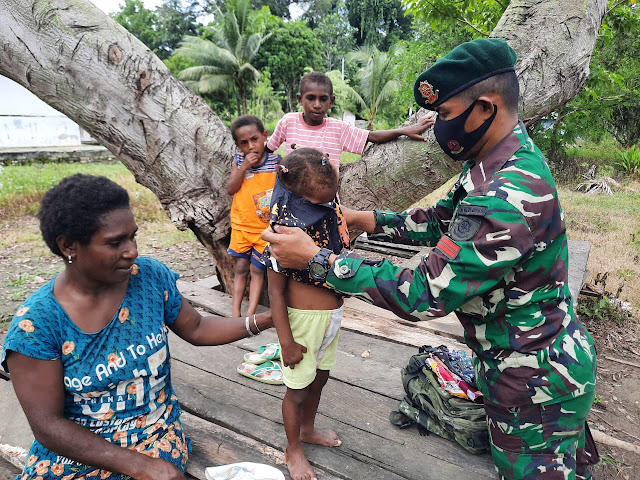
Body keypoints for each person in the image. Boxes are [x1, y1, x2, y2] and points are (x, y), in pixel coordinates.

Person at [262, 39, 598, 480]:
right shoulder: (497, 162)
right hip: (524, 359)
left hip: (534, 379)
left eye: (444, 114)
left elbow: (423, 293)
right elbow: (443, 221)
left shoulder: (507, 195)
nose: (440, 127)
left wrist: (319, 260)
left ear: (484, 108)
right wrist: (369, 219)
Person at [1, 174, 273, 480]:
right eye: (115, 242)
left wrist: (263, 319)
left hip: (155, 439)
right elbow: (48, 426)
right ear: (68, 246)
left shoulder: (148, 278)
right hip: (77, 458)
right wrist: (139, 467)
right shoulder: (36, 327)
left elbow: (196, 328)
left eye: (133, 236)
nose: (132, 251)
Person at [263, 148, 349, 480]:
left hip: (332, 319)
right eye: (318, 203)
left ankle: (308, 430)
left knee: (321, 378)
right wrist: (285, 341)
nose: (325, 207)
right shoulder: (282, 233)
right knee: (296, 391)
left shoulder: (328, 214)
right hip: (303, 324)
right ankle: (292, 449)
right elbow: (275, 292)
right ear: (298, 200)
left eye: (331, 199)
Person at [266, 71, 434, 173]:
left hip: (324, 205)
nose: (317, 105)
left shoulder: (337, 128)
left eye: (323, 99)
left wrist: (403, 131)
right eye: (311, 98)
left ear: (331, 101)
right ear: (300, 99)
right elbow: (267, 150)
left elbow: (372, 136)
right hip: (292, 200)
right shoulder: (288, 122)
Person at [227, 115, 281, 317]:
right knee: (241, 267)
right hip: (241, 227)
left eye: (255, 139)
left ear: (264, 136)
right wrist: (243, 168)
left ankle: (250, 314)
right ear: (237, 145)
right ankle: (235, 314)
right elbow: (230, 189)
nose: (251, 146)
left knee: (258, 270)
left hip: (264, 231)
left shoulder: (275, 161)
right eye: (244, 143)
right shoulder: (238, 161)